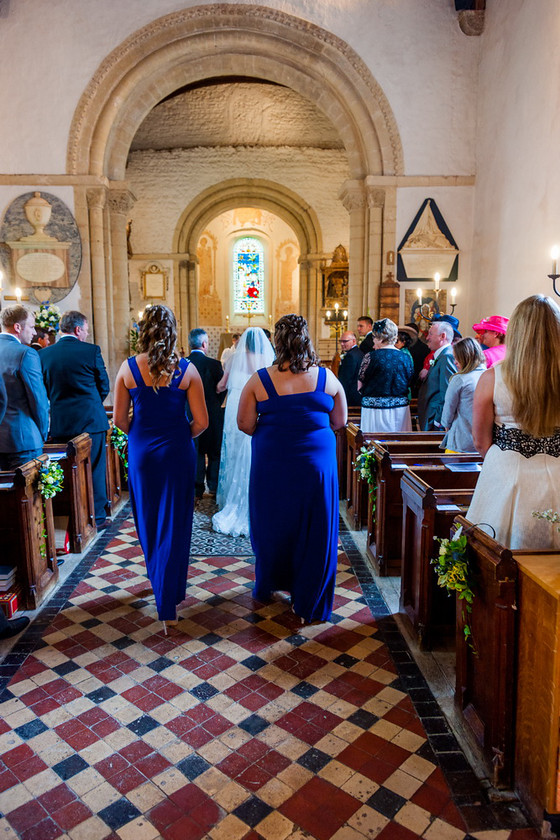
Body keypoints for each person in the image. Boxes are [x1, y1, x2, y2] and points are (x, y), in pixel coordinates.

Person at [238, 314, 347, 624]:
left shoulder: (260, 379)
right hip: (316, 463)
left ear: (277, 343)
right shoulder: (327, 378)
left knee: (273, 521)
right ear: (307, 340)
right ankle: (309, 595)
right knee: (316, 525)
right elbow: (340, 422)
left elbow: (245, 424)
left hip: (273, 461)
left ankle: (273, 580)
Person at [113, 305, 207, 630]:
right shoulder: (188, 370)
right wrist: (178, 436)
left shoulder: (127, 369)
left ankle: (160, 586)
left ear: (143, 331)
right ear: (173, 331)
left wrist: (144, 435)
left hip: (142, 453)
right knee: (176, 523)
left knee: (149, 520)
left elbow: (119, 420)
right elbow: (202, 422)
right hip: (178, 453)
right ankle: (169, 599)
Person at [467, 295, 560, 549]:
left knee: (498, 554)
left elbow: (480, 441)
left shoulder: (493, 377)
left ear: (516, 331)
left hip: (507, 470)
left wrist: (505, 459)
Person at [41, 311, 111, 528]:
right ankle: (97, 517)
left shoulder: (45, 354)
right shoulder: (91, 351)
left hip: (61, 424)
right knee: (96, 469)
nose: (87, 333)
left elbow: (43, 390)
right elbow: (104, 385)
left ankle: (71, 518)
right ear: (78, 329)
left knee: (66, 471)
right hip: (91, 422)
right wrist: (91, 404)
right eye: (86, 329)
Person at [212, 328, 274, 537]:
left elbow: (221, 385)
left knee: (236, 453)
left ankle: (235, 498)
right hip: (258, 407)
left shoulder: (233, 359)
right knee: (255, 453)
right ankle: (260, 503)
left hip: (235, 411)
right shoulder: (268, 359)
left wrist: (215, 392)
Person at [0, 306, 49, 470]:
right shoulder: (25, 353)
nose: (34, 332)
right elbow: (38, 399)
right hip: (23, 440)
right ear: (17, 327)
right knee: (29, 495)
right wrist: (42, 433)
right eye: (31, 326)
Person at [357, 318, 414, 433]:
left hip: (374, 411)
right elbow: (409, 381)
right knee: (399, 444)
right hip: (400, 411)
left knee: (374, 444)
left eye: (374, 337)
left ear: (380, 338)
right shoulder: (405, 357)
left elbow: (359, 386)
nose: (373, 341)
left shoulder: (370, 357)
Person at [187, 328, 225, 499]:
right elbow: (222, 389)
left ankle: (197, 489)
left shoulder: (183, 363)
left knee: (197, 451)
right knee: (214, 451)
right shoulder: (214, 364)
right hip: (212, 415)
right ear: (204, 344)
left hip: (189, 415)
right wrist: (215, 404)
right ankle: (214, 486)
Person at [440, 337, 486, 453]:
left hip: (462, 440)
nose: (455, 362)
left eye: (457, 358)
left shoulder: (460, 379)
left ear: (466, 357)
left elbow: (449, 407)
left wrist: (446, 424)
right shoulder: (488, 375)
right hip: (484, 441)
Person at [417, 320, 457, 431]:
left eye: (430, 334)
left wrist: (438, 420)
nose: (427, 337)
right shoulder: (441, 355)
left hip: (435, 419)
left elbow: (447, 392)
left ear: (442, 336)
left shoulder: (447, 357)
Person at [337, 331, 362, 407]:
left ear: (354, 341)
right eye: (340, 341)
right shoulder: (359, 352)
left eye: (345, 341)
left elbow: (346, 379)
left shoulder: (350, 356)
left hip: (350, 396)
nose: (342, 344)